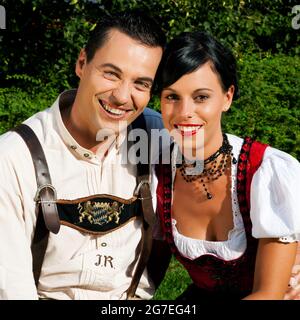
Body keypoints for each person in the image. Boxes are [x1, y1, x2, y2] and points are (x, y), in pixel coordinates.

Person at [0, 11, 167, 300]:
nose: (122, 97)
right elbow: (11, 288)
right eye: (111, 74)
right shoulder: (14, 157)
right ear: (81, 63)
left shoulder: (157, 135)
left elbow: (227, 159)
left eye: (141, 83)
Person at [155, 31, 300, 300]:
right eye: (172, 96)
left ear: (227, 97)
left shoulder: (264, 171)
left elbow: (269, 294)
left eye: (201, 97)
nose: (185, 112)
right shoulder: (159, 172)